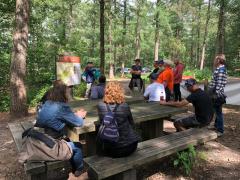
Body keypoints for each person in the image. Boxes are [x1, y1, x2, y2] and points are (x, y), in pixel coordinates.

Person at [22, 81, 87, 177]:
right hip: (46, 145)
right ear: (64, 93)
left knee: (67, 140)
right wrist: (80, 116)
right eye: (67, 91)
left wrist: (72, 115)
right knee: (77, 146)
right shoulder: (62, 107)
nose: (68, 93)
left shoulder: (48, 103)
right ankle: (79, 170)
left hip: (35, 139)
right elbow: (79, 123)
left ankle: (71, 163)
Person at [97, 82, 139, 158]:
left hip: (112, 150)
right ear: (121, 92)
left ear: (106, 92)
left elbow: (102, 122)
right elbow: (131, 123)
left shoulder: (100, 105)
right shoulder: (125, 106)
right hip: (130, 146)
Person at [208, 54, 227, 136]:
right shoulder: (219, 69)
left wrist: (215, 95)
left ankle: (220, 130)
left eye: (215, 60)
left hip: (217, 95)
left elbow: (219, 85)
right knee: (216, 111)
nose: (214, 61)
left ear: (219, 60)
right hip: (215, 94)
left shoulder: (221, 70)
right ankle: (216, 126)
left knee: (218, 112)